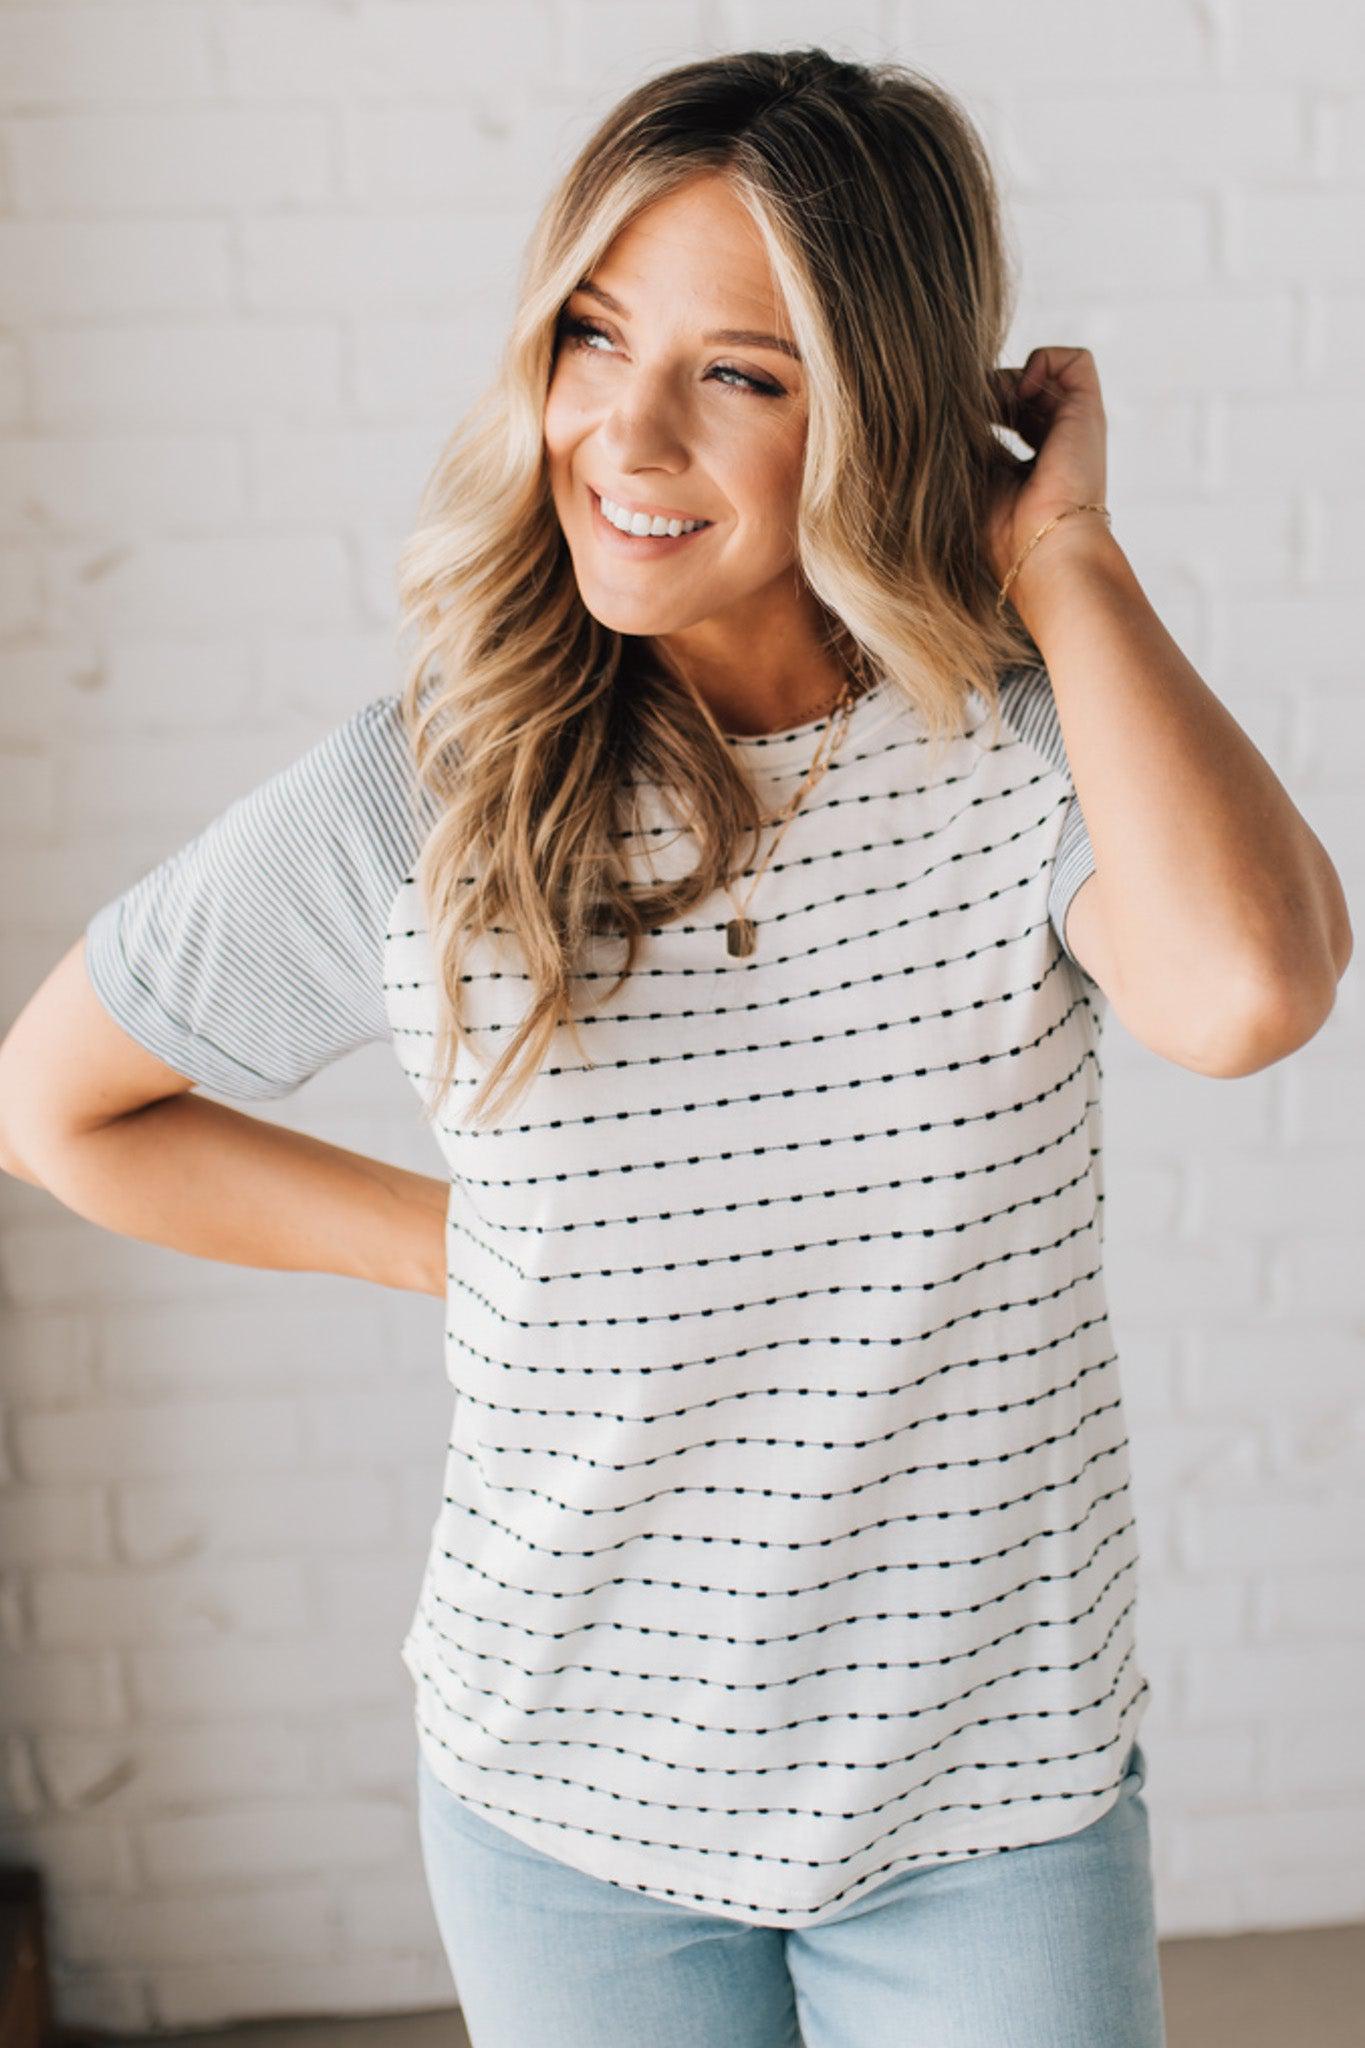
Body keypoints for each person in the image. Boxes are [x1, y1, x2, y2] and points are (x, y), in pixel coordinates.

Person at [0, 45, 1350, 2048]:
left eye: (740, 371)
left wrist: (1061, 559)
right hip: (569, 1800)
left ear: (878, 407)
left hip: (983, 1797)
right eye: (593, 335)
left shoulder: (1020, 747)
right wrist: (456, 1251)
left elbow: (1249, 989)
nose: (617, 433)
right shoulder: (428, 786)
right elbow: (62, 1108)